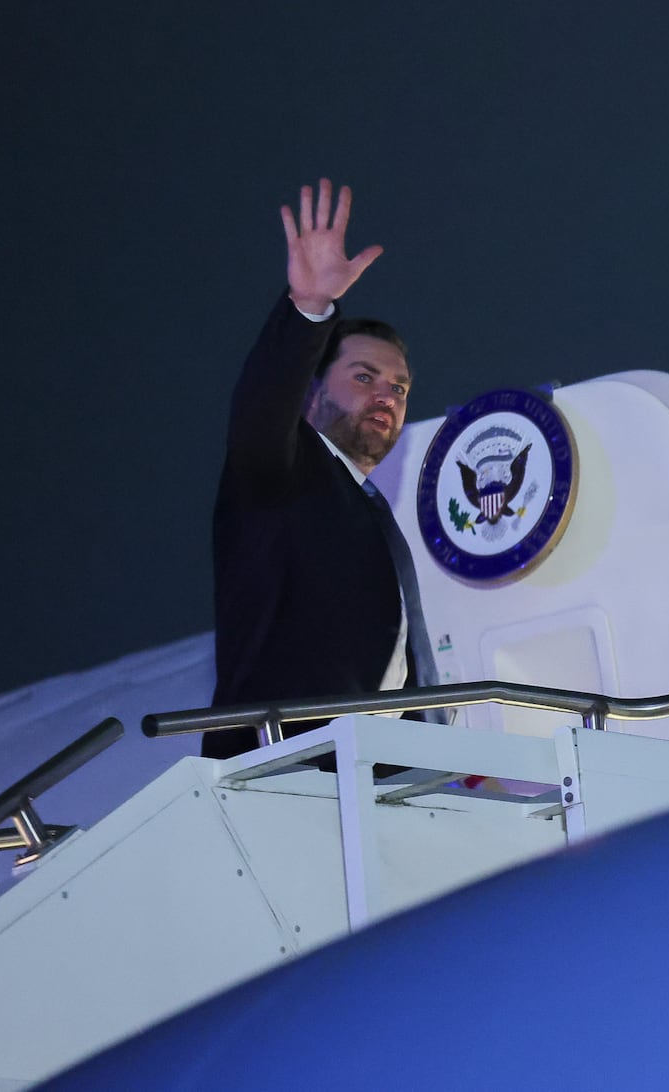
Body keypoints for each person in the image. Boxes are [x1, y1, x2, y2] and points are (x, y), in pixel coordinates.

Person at [203, 178, 440, 760]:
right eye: (364, 377)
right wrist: (309, 309)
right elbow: (262, 406)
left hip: (373, 780)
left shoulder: (366, 506)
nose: (386, 396)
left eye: (399, 388)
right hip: (285, 774)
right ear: (309, 395)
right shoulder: (279, 472)